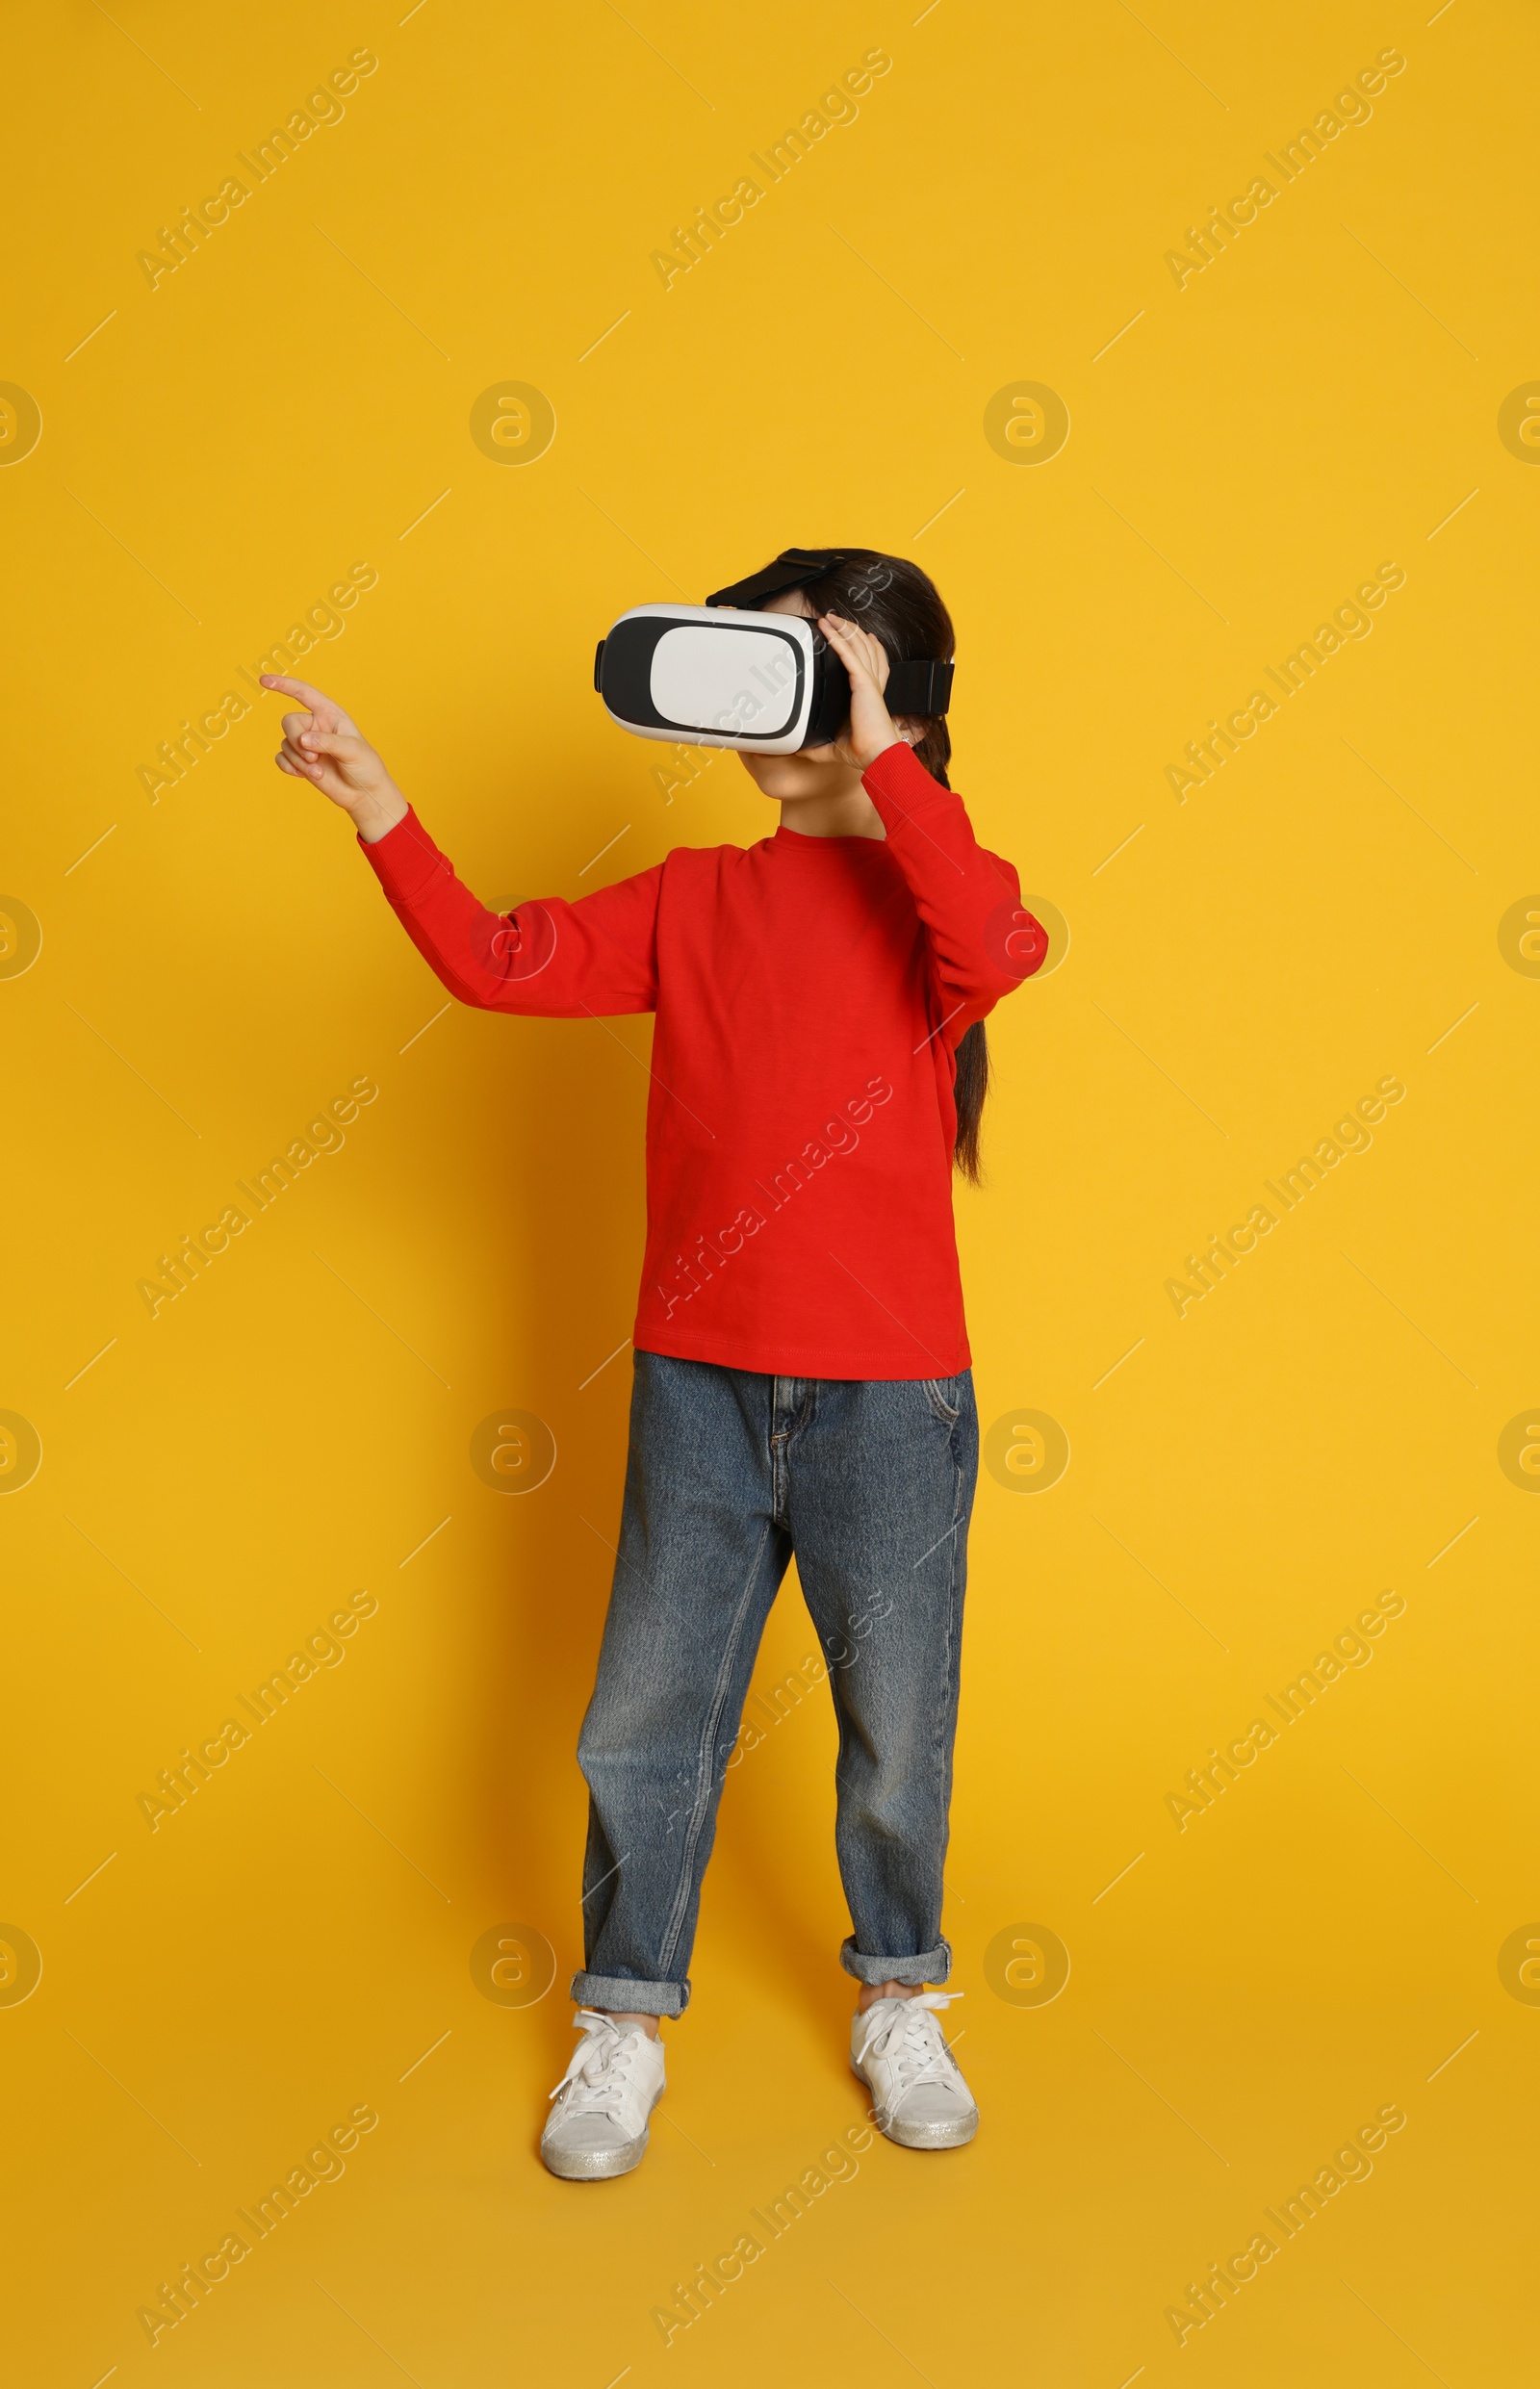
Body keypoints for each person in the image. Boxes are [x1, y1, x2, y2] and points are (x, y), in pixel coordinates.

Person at [264, 547, 1046, 2181]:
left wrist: (889, 743)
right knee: (644, 1719)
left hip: (891, 1397)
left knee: (900, 1726)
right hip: (697, 1380)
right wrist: (382, 810)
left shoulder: (933, 897)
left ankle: (901, 1994)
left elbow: (1003, 938)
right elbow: (498, 962)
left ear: (886, 696)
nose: (775, 706)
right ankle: (622, 2017)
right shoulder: (699, 896)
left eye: (807, 671)